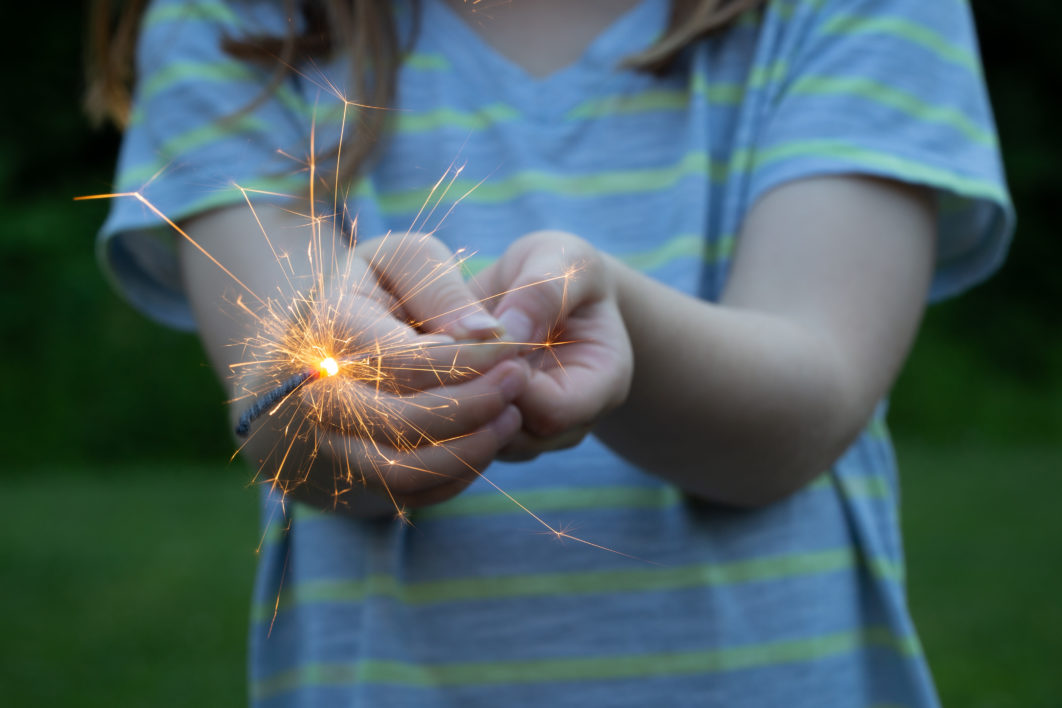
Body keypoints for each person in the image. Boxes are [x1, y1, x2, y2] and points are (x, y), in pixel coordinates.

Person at [90, 0, 1012, 705]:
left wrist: (623, 325)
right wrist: (347, 386)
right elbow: (282, 400)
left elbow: (801, 417)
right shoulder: (240, 21)